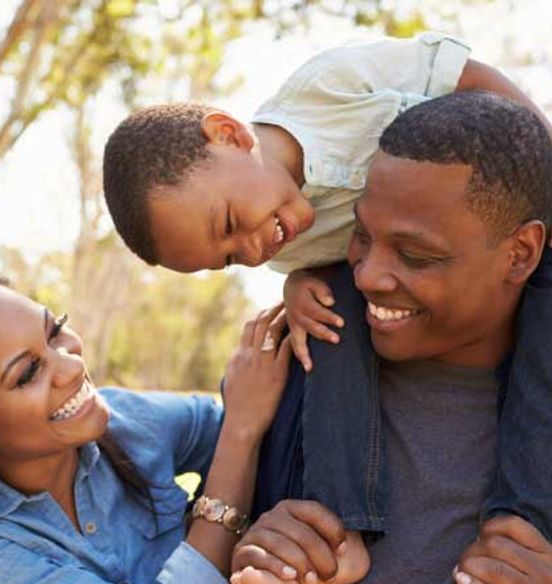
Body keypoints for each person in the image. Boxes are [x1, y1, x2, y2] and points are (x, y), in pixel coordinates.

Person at [101, 32, 552, 545]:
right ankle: (340, 523)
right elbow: (330, 264)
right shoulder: (288, 245)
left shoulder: (327, 88)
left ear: (228, 134)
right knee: (327, 322)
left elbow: (464, 73)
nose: (252, 253)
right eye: (228, 259)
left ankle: (525, 523)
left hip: (506, 195)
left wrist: (541, 168)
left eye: (229, 223)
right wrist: (298, 285)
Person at [230, 91, 552, 584]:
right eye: (361, 235)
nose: (369, 276)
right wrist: (254, 563)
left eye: (415, 254)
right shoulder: (290, 375)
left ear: (521, 253)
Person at [0, 260, 292, 584]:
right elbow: (242, 433)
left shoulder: (125, 421)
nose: (71, 366)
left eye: (55, 332)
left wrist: (306, 288)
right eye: (27, 373)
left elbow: (277, 443)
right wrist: (238, 445)